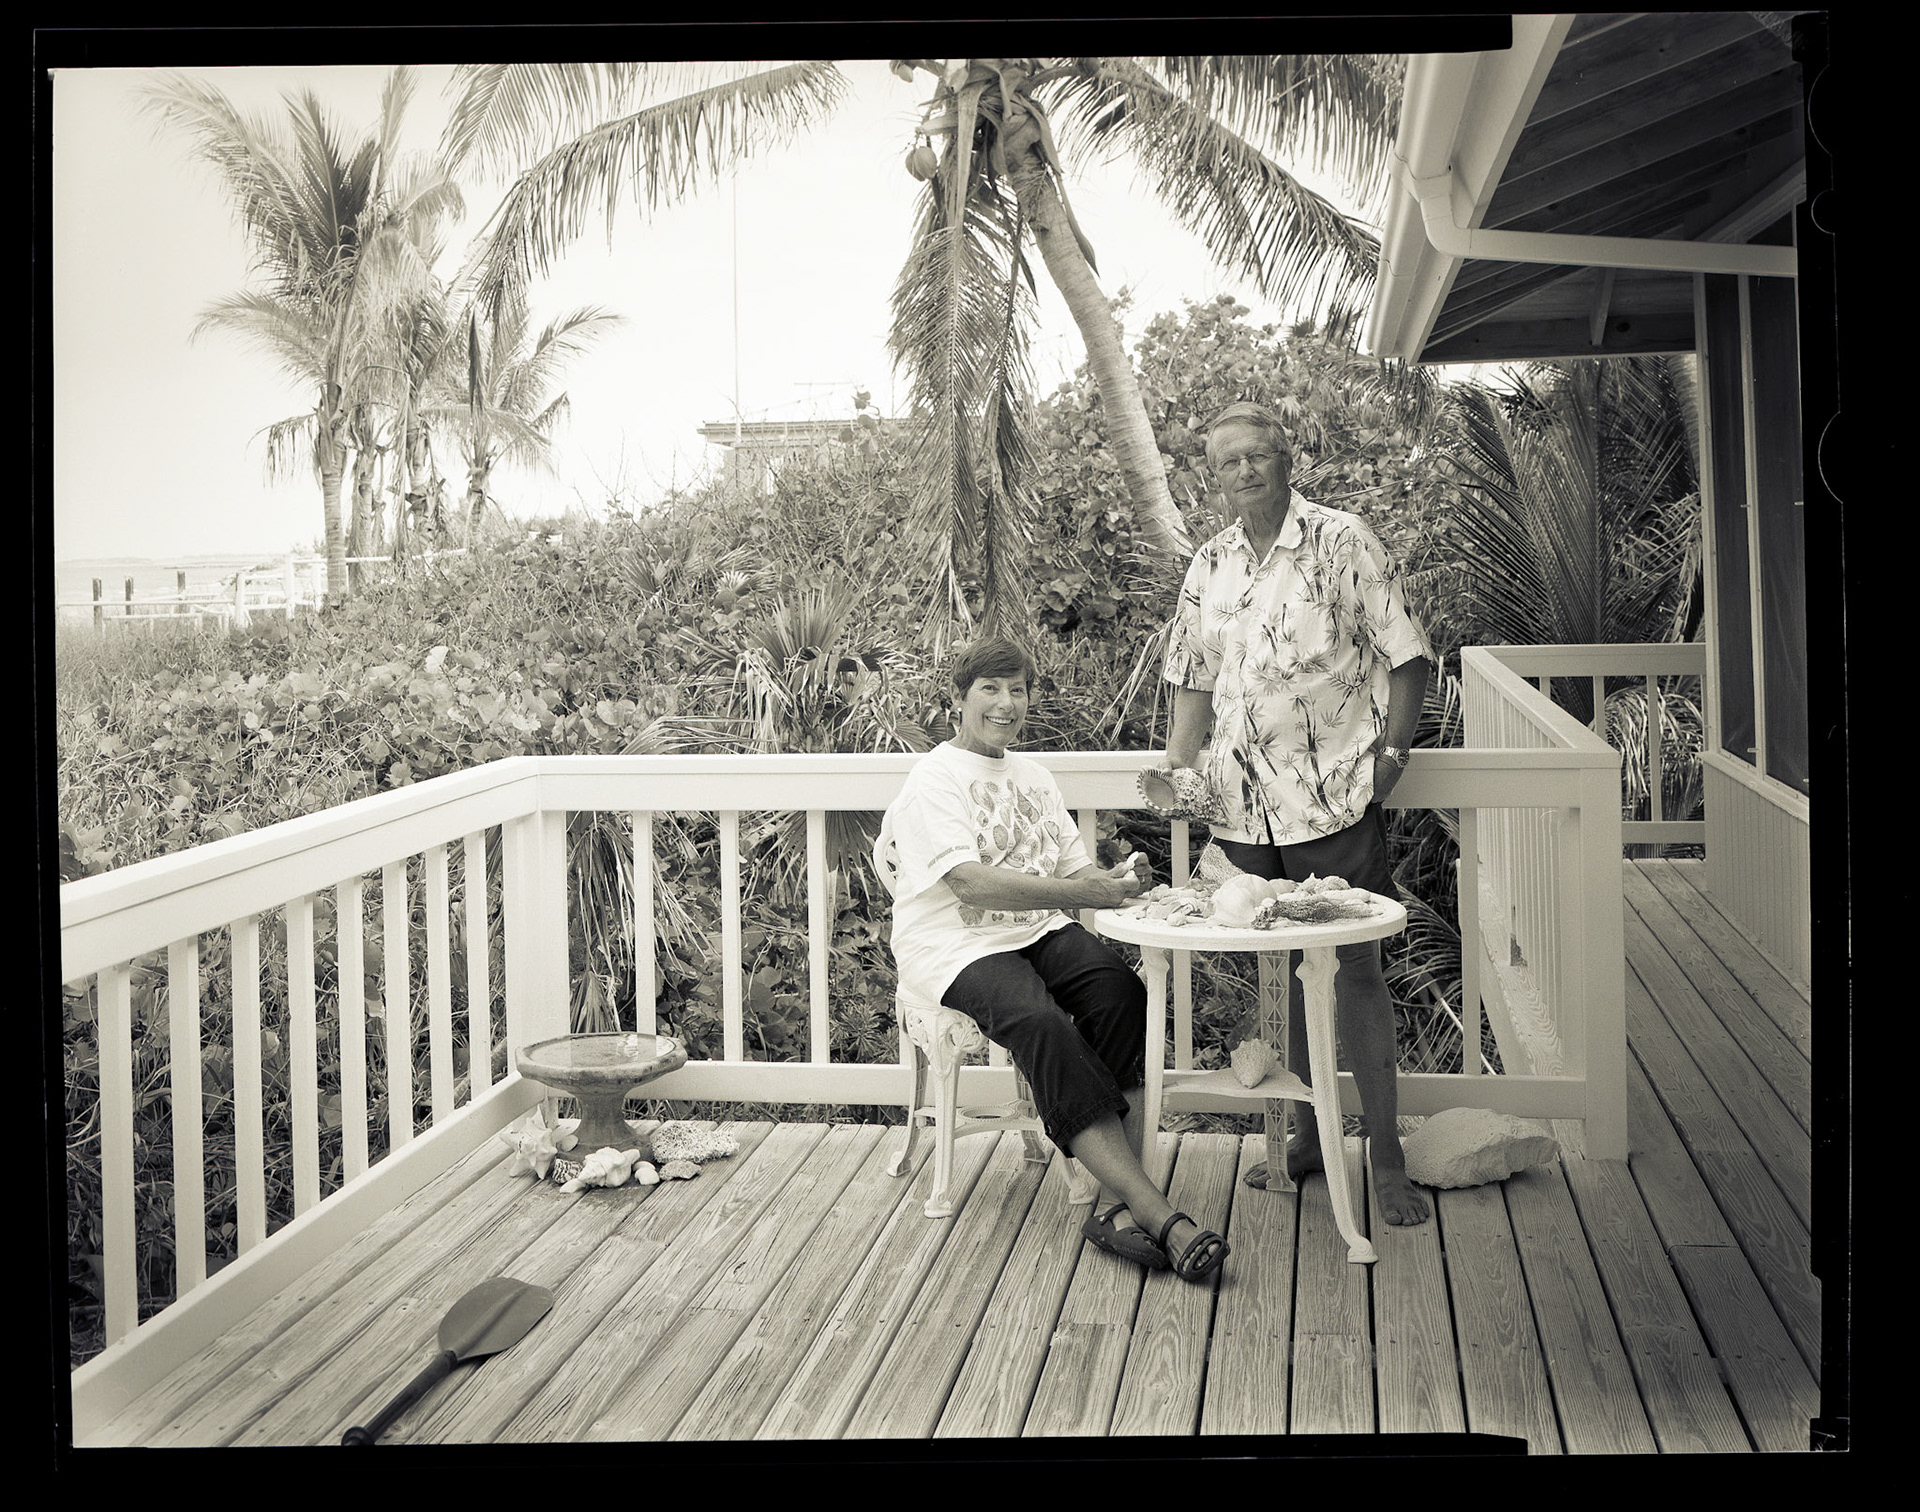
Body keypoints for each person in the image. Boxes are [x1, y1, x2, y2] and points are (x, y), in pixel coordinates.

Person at [1161, 401, 1435, 1226]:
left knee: (1355, 971)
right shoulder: (1209, 564)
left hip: (1333, 802)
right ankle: (1314, 1139)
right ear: (1214, 480)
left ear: (1287, 458)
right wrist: (1179, 772)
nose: (1245, 471)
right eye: (1228, 462)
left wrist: (1390, 757)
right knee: (1277, 974)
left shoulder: (1341, 540)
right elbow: (1194, 680)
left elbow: (1408, 654)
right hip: (1242, 814)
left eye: (1258, 456)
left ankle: (1385, 1159)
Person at [878, 636, 1229, 1280]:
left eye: (1018, 689)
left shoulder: (1034, 778)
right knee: (1041, 1024)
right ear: (958, 699)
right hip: (955, 944)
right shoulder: (934, 777)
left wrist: (1122, 879)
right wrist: (1078, 892)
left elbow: (1076, 871)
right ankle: (1153, 1211)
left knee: (1122, 993)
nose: (1007, 703)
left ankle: (1114, 1198)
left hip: (1034, 931)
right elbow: (970, 884)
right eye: (990, 688)